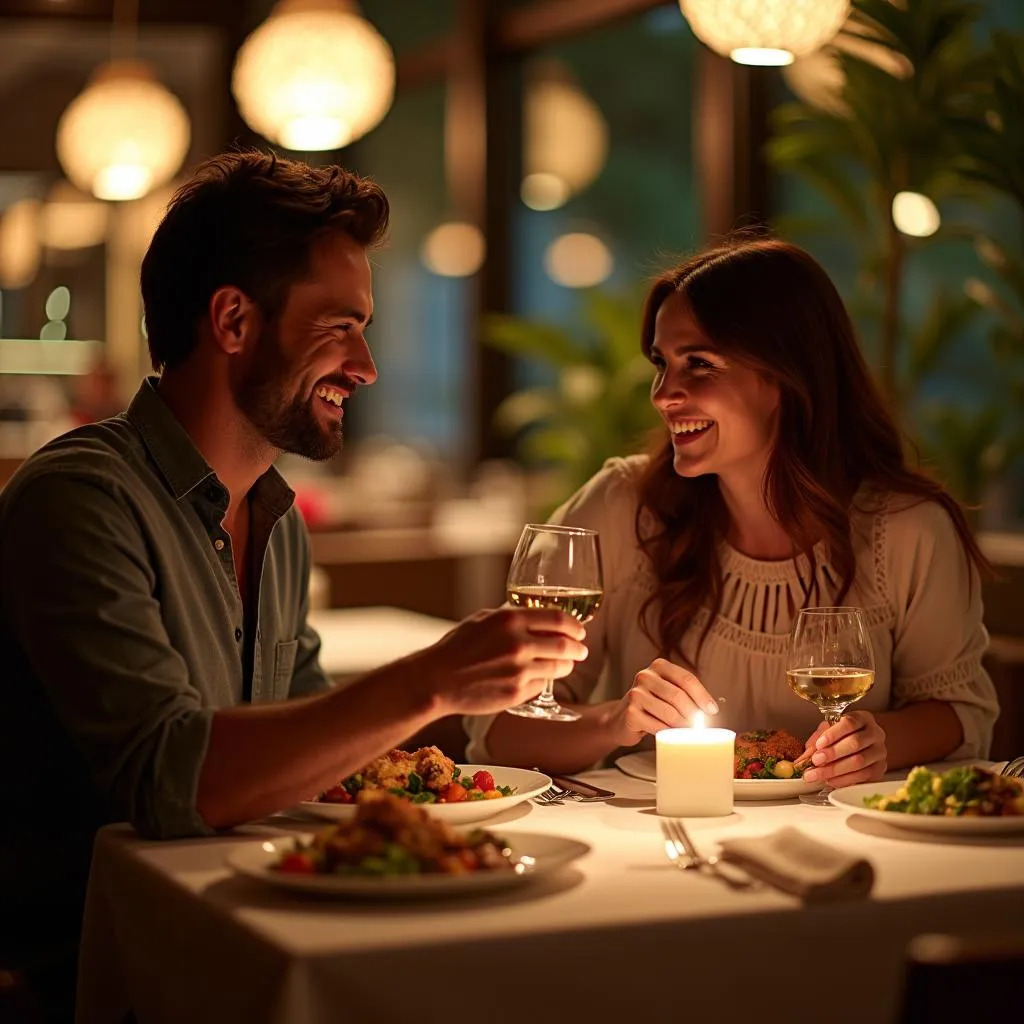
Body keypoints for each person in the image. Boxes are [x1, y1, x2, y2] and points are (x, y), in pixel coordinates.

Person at [0, 150, 587, 1019]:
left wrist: (559, 731)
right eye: (339, 325)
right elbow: (176, 783)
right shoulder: (79, 500)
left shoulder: (274, 518)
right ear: (234, 320)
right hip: (94, 975)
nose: (367, 366)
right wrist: (430, 678)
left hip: (249, 929)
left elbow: (326, 763)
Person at [468, 237, 999, 784]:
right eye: (662, 363)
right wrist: (613, 722)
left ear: (785, 377)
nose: (663, 393)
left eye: (698, 363)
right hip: (658, 844)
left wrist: (879, 740)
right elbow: (497, 730)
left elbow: (959, 715)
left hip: (850, 851)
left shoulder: (907, 529)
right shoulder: (624, 506)